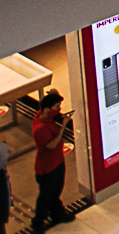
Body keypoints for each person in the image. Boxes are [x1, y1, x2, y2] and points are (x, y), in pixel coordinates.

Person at [31, 91, 74, 229]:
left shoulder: (44, 116)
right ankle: (38, 221)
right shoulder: (40, 128)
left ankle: (57, 214)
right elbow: (52, 144)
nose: (59, 110)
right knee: (46, 196)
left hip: (57, 162)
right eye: (57, 107)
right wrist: (63, 126)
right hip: (47, 168)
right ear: (47, 110)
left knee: (55, 192)